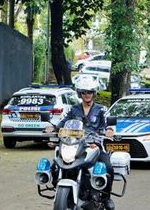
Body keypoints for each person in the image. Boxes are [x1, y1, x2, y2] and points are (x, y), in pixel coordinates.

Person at [44, 76, 116, 210]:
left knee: (108, 167)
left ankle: (107, 197)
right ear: (79, 93)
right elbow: (63, 122)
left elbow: (107, 123)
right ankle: (60, 188)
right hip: (76, 144)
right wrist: (54, 128)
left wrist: (110, 130)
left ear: (93, 93)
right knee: (56, 164)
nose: (86, 95)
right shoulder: (74, 109)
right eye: (83, 92)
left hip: (95, 145)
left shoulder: (101, 109)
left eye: (89, 92)